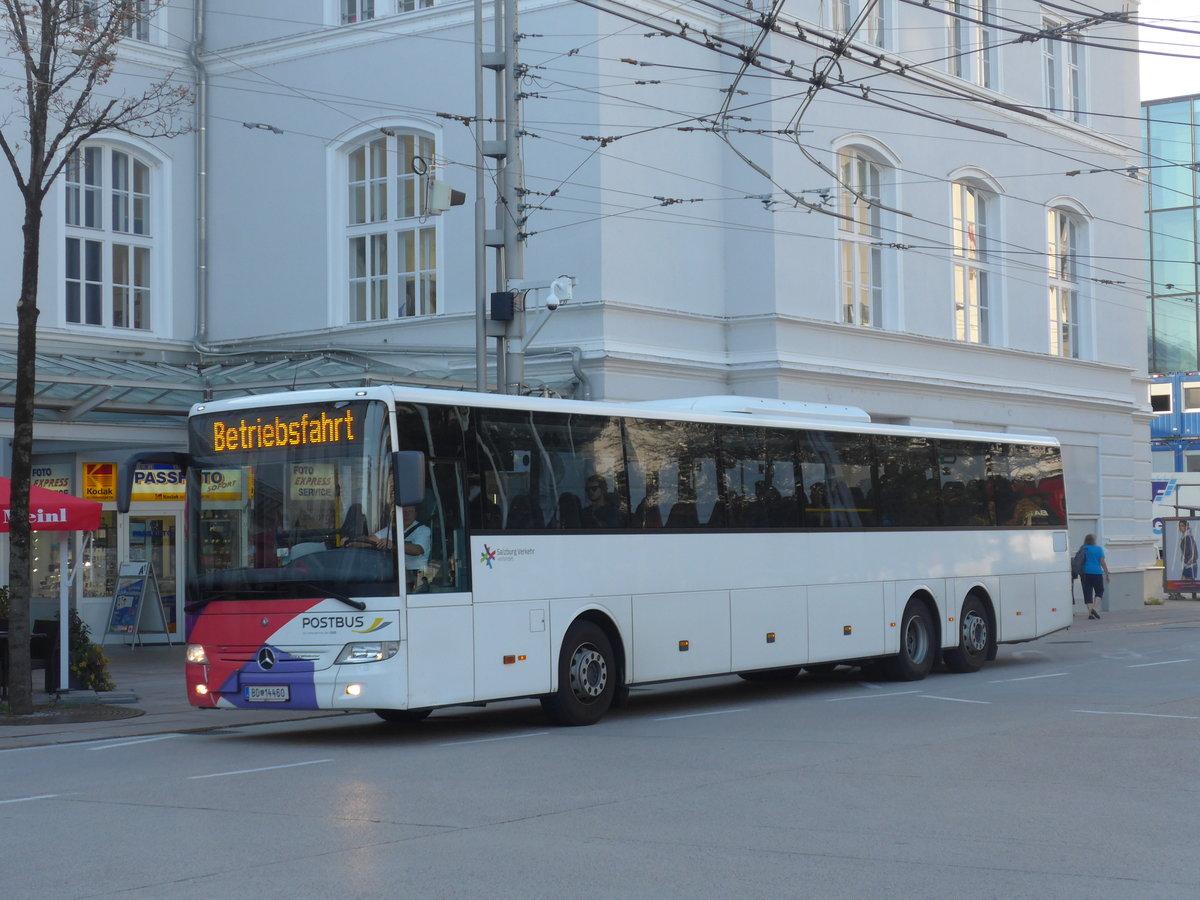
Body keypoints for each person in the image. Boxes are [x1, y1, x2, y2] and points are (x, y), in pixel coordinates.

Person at [1077, 533, 1109, 620]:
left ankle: (1090, 614)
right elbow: (1103, 562)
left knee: (1087, 593)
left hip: (1085, 574)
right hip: (1097, 573)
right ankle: (1094, 608)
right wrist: (1107, 573)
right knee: (1099, 591)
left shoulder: (1083, 548)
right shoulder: (1098, 549)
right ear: (1094, 540)